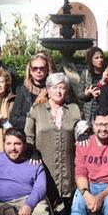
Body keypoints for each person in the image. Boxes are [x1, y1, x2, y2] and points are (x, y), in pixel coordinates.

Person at [25, 72, 82, 203]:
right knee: (48, 205)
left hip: (68, 168)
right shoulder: (36, 110)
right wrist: (32, 151)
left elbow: (81, 130)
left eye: (62, 87)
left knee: (69, 207)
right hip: (44, 165)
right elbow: (28, 136)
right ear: (48, 90)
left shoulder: (74, 109)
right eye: (54, 87)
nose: (58, 91)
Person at [11, 52, 56, 130]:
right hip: (28, 135)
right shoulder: (23, 89)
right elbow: (14, 119)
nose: (38, 71)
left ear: (47, 69)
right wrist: (35, 121)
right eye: (35, 68)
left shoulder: (55, 88)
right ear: (30, 70)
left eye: (42, 68)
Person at [77, 47, 107, 119]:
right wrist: (86, 94)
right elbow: (79, 95)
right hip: (89, 113)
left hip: (104, 110)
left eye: (101, 57)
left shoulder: (107, 72)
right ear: (91, 60)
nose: (100, 60)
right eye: (96, 58)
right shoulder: (86, 73)